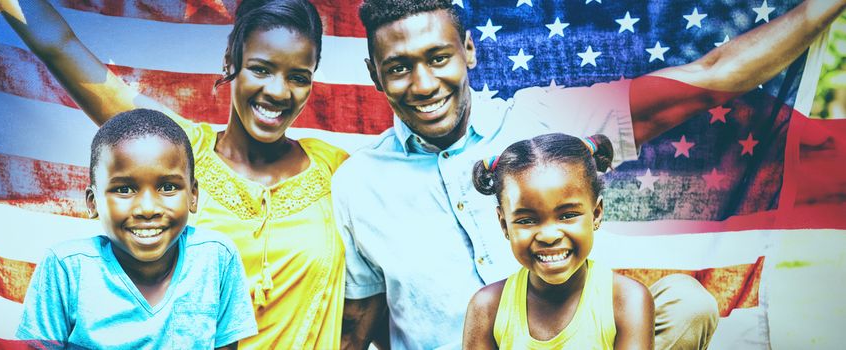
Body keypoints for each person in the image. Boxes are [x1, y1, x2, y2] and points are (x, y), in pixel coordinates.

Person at [335, 0, 846, 349]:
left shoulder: (545, 119)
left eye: (439, 57)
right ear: (374, 73)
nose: (424, 84)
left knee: (686, 304)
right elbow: (360, 327)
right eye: (399, 67)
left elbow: (710, 77)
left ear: (468, 50)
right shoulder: (357, 183)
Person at [0, 0, 348, 348]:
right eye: (261, 69)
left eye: (298, 77)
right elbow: (59, 46)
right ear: (231, 61)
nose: (278, 91)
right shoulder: (176, 153)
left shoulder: (338, 170)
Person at [17, 109, 257, 349]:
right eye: (124, 189)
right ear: (93, 202)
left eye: (167, 187)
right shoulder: (66, 268)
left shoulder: (216, 258)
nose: (147, 208)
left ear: (193, 196)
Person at [462, 133, 654, 349]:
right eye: (526, 220)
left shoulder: (626, 301)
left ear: (597, 213)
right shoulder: (487, 309)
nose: (549, 236)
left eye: (567, 215)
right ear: (504, 225)